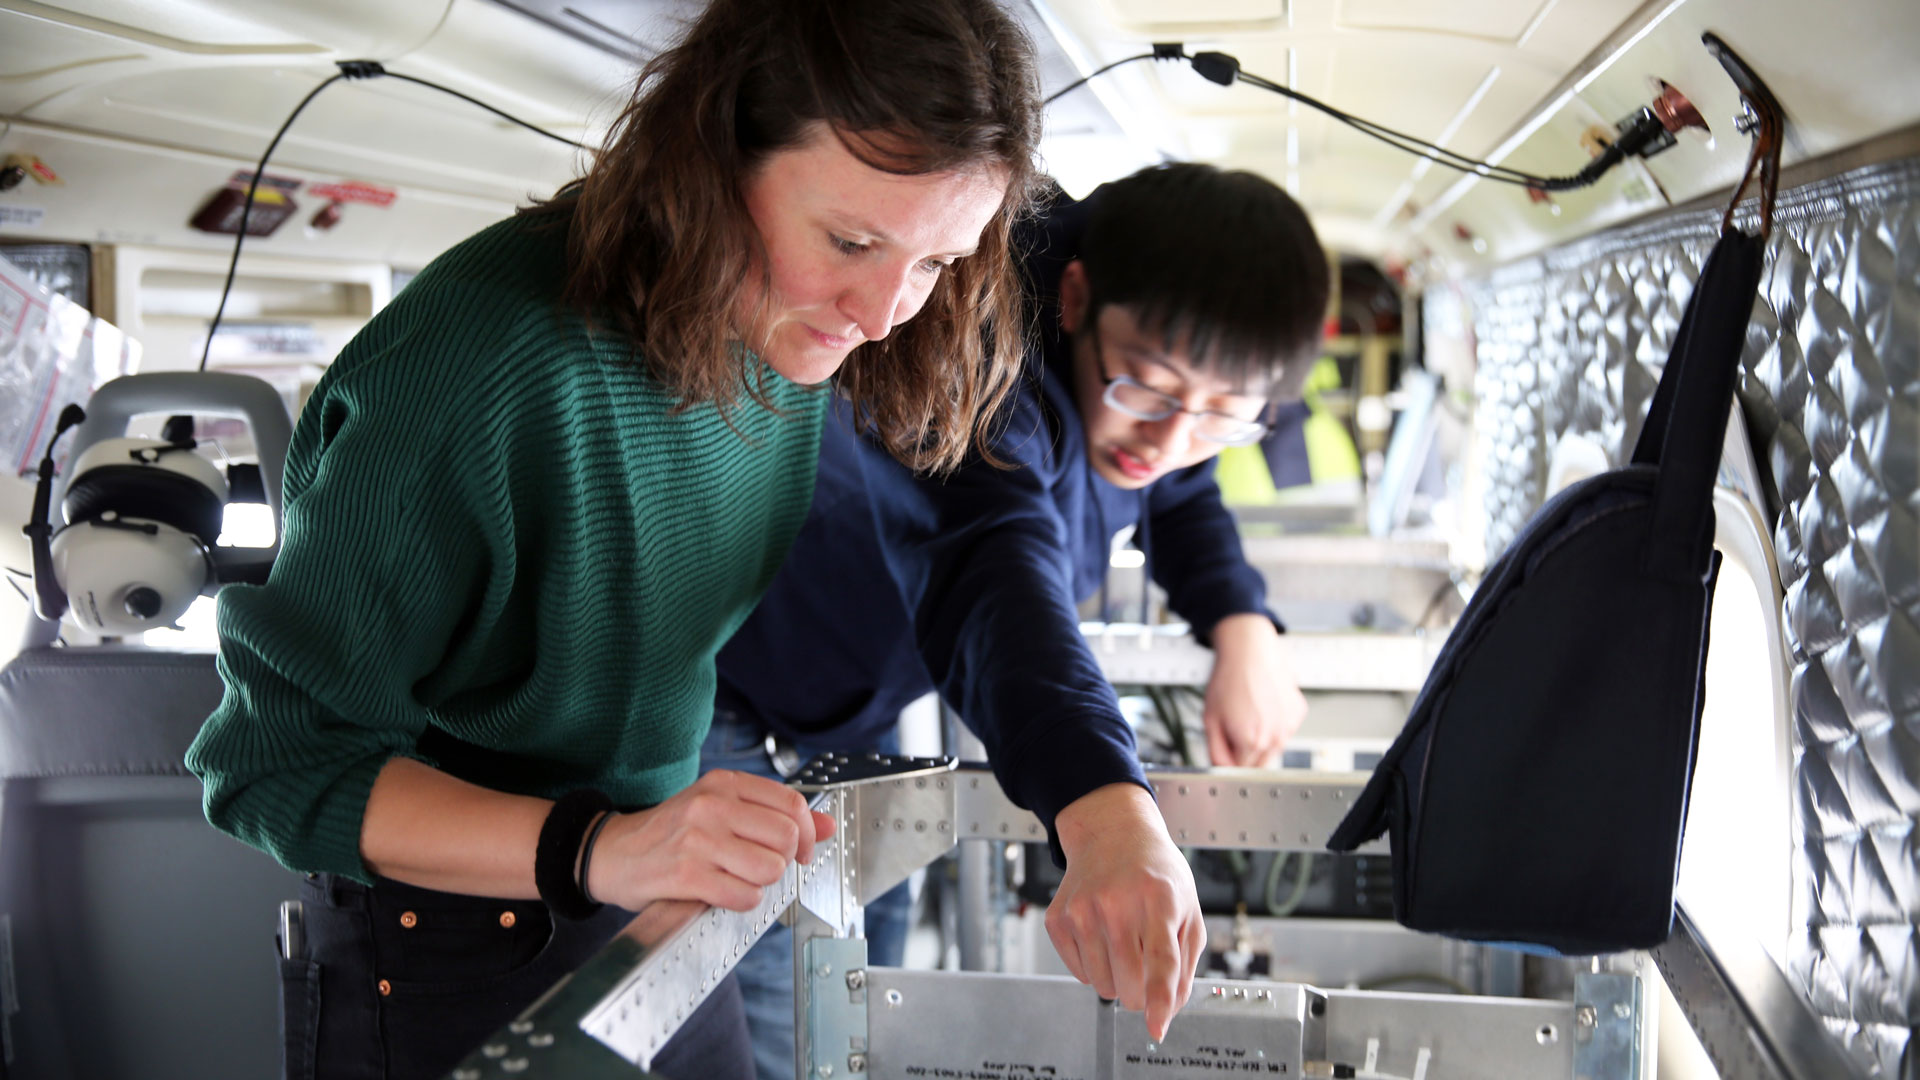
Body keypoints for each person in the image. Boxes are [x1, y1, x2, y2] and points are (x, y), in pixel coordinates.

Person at [183, 2, 1042, 1077]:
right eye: (851, 243)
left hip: (649, 889)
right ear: (716, 160)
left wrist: (642, 845)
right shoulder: (479, 370)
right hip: (457, 940)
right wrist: (601, 847)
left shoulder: (777, 328)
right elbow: (269, 764)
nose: (880, 314)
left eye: (935, 264)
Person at [707, 161, 1329, 1080]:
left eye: (1219, 419)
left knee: (865, 969)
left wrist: (1244, 625)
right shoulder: (978, 347)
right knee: (787, 1016)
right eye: (1148, 391)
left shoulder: (1158, 393)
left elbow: (1182, 492)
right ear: (1074, 298)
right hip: (734, 673)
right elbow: (1000, 577)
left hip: (857, 700)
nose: (1168, 441)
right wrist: (1107, 812)